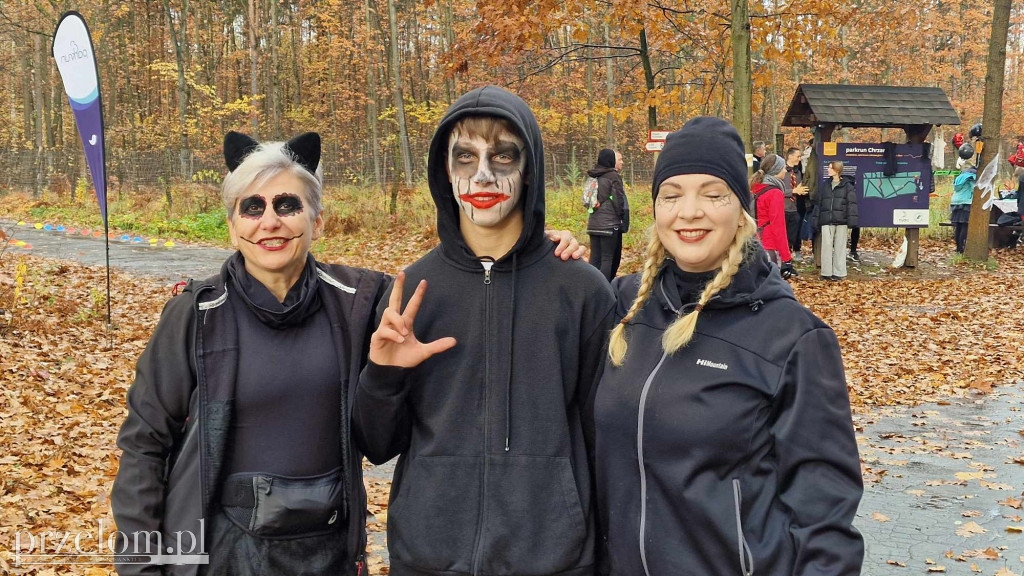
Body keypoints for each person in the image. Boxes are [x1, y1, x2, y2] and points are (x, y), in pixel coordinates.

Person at [110, 131, 584, 576]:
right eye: (252, 207)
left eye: (287, 204)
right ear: (232, 224)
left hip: (327, 555)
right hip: (217, 555)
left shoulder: (361, 301)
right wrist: (141, 565)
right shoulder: (196, 314)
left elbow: (461, 286)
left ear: (316, 219)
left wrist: (534, 250)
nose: (269, 221)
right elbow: (144, 445)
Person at [352, 86, 615, 576]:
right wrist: (382, 376)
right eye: (465, 157)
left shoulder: (581, 291)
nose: (484, 175)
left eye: (503, 155)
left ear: (529, 167)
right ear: (444, 172)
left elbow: (604, 443)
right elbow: (377, 444)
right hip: (429, 556)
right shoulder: (412, 294)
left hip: (552, 558)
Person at [593, 116, 864, 576]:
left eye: (712, 193)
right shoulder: (622, 308)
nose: (689, 211)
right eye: (672, 195)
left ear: (741, 208)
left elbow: (825, 514)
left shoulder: (792, 337)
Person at [749, 153, 798, 278]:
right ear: (775, 170)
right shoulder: (775, 193)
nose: (785, 171)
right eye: (783, 168)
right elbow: (778, 226)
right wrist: (786, 257)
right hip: (769, 246)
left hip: (752, 242)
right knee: (770, 287)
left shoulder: (754, 188)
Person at [586, 148, 630, 280]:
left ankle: (590, 286)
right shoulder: (613, 176)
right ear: (611, 160)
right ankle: (605, 289)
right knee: (607, 258)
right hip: (609, 224)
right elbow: (618, 200)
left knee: (594, 257)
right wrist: (621, 217)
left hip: (593, 222)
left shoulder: (594, 175)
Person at [816, 160, 859, 281]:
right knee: (826, 246)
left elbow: (852, 204)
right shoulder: (825, 185)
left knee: (840, 247)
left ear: (837, 170)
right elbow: (820, 203)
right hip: (827, 220)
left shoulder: (847, 186)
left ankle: (839, 272)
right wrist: (817, 219)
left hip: (841, 221)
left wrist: (852, 221)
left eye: (830, 168)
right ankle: (826, 272)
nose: (828, 170)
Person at [785, 147, 809, 259]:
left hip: (794, 209)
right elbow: (776, 191)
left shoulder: (798, 172)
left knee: (793, 234)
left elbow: (798, 188)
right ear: (790, 156)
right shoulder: (781, 171)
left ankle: (790, 253)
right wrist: (793, 191)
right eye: (798, 156)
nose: (799, 159)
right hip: (782, 208)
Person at [951, 163, 977, 254]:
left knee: (958, 226)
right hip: (966, 203)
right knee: (965, 226)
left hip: (955, 203)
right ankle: (962, 248)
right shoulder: (972, 177)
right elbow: (975, 189)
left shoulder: (960, 177)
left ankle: (958, 248)